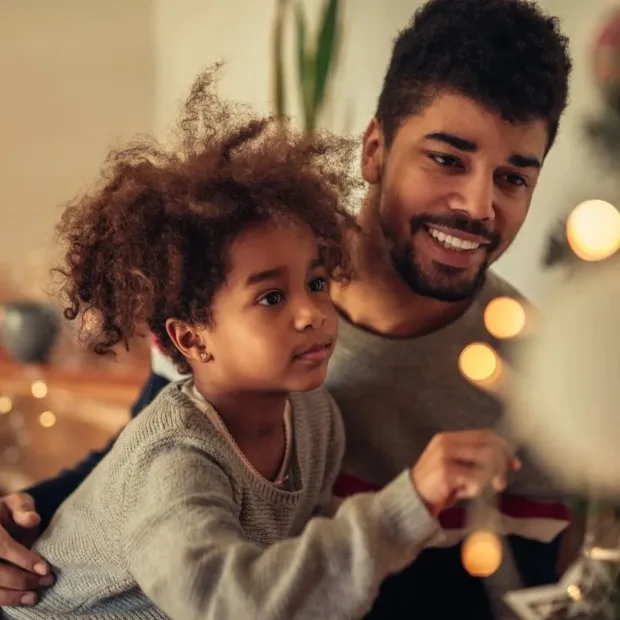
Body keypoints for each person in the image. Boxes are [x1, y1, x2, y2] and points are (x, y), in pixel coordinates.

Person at [0, 0, 573, 617]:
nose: (479, 206)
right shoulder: (222, 297)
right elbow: (149, 461)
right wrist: (21, 517)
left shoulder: (538, 373)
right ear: (375, 149)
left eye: (514, 178)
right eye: (446, 159)